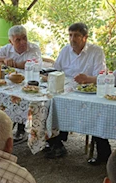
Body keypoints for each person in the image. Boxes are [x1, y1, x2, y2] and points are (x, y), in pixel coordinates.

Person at [46, 22, 110, 164]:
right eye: (70, 35)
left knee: (97, 112)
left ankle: (103, 152)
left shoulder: (96, 51)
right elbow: (56, 70)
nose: (72, 39)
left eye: (76, 36)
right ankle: (56, 142)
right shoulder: (65, 50)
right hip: (66, 90)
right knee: (49, 102)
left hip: (88, 91)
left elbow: (101, 77)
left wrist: (88, 79)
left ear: (85, 37)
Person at [0, 24, 42, 143]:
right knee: (2, 96)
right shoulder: (7, 48)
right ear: (10, 41)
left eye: (24, 38)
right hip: (10, 84)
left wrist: (12, 64)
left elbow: (30, 64)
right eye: (18, 40)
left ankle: (22, 128)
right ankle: (4, 129)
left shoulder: (33, 48)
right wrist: (3, 59)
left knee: (25, 99)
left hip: (30, 83)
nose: (23, 42)